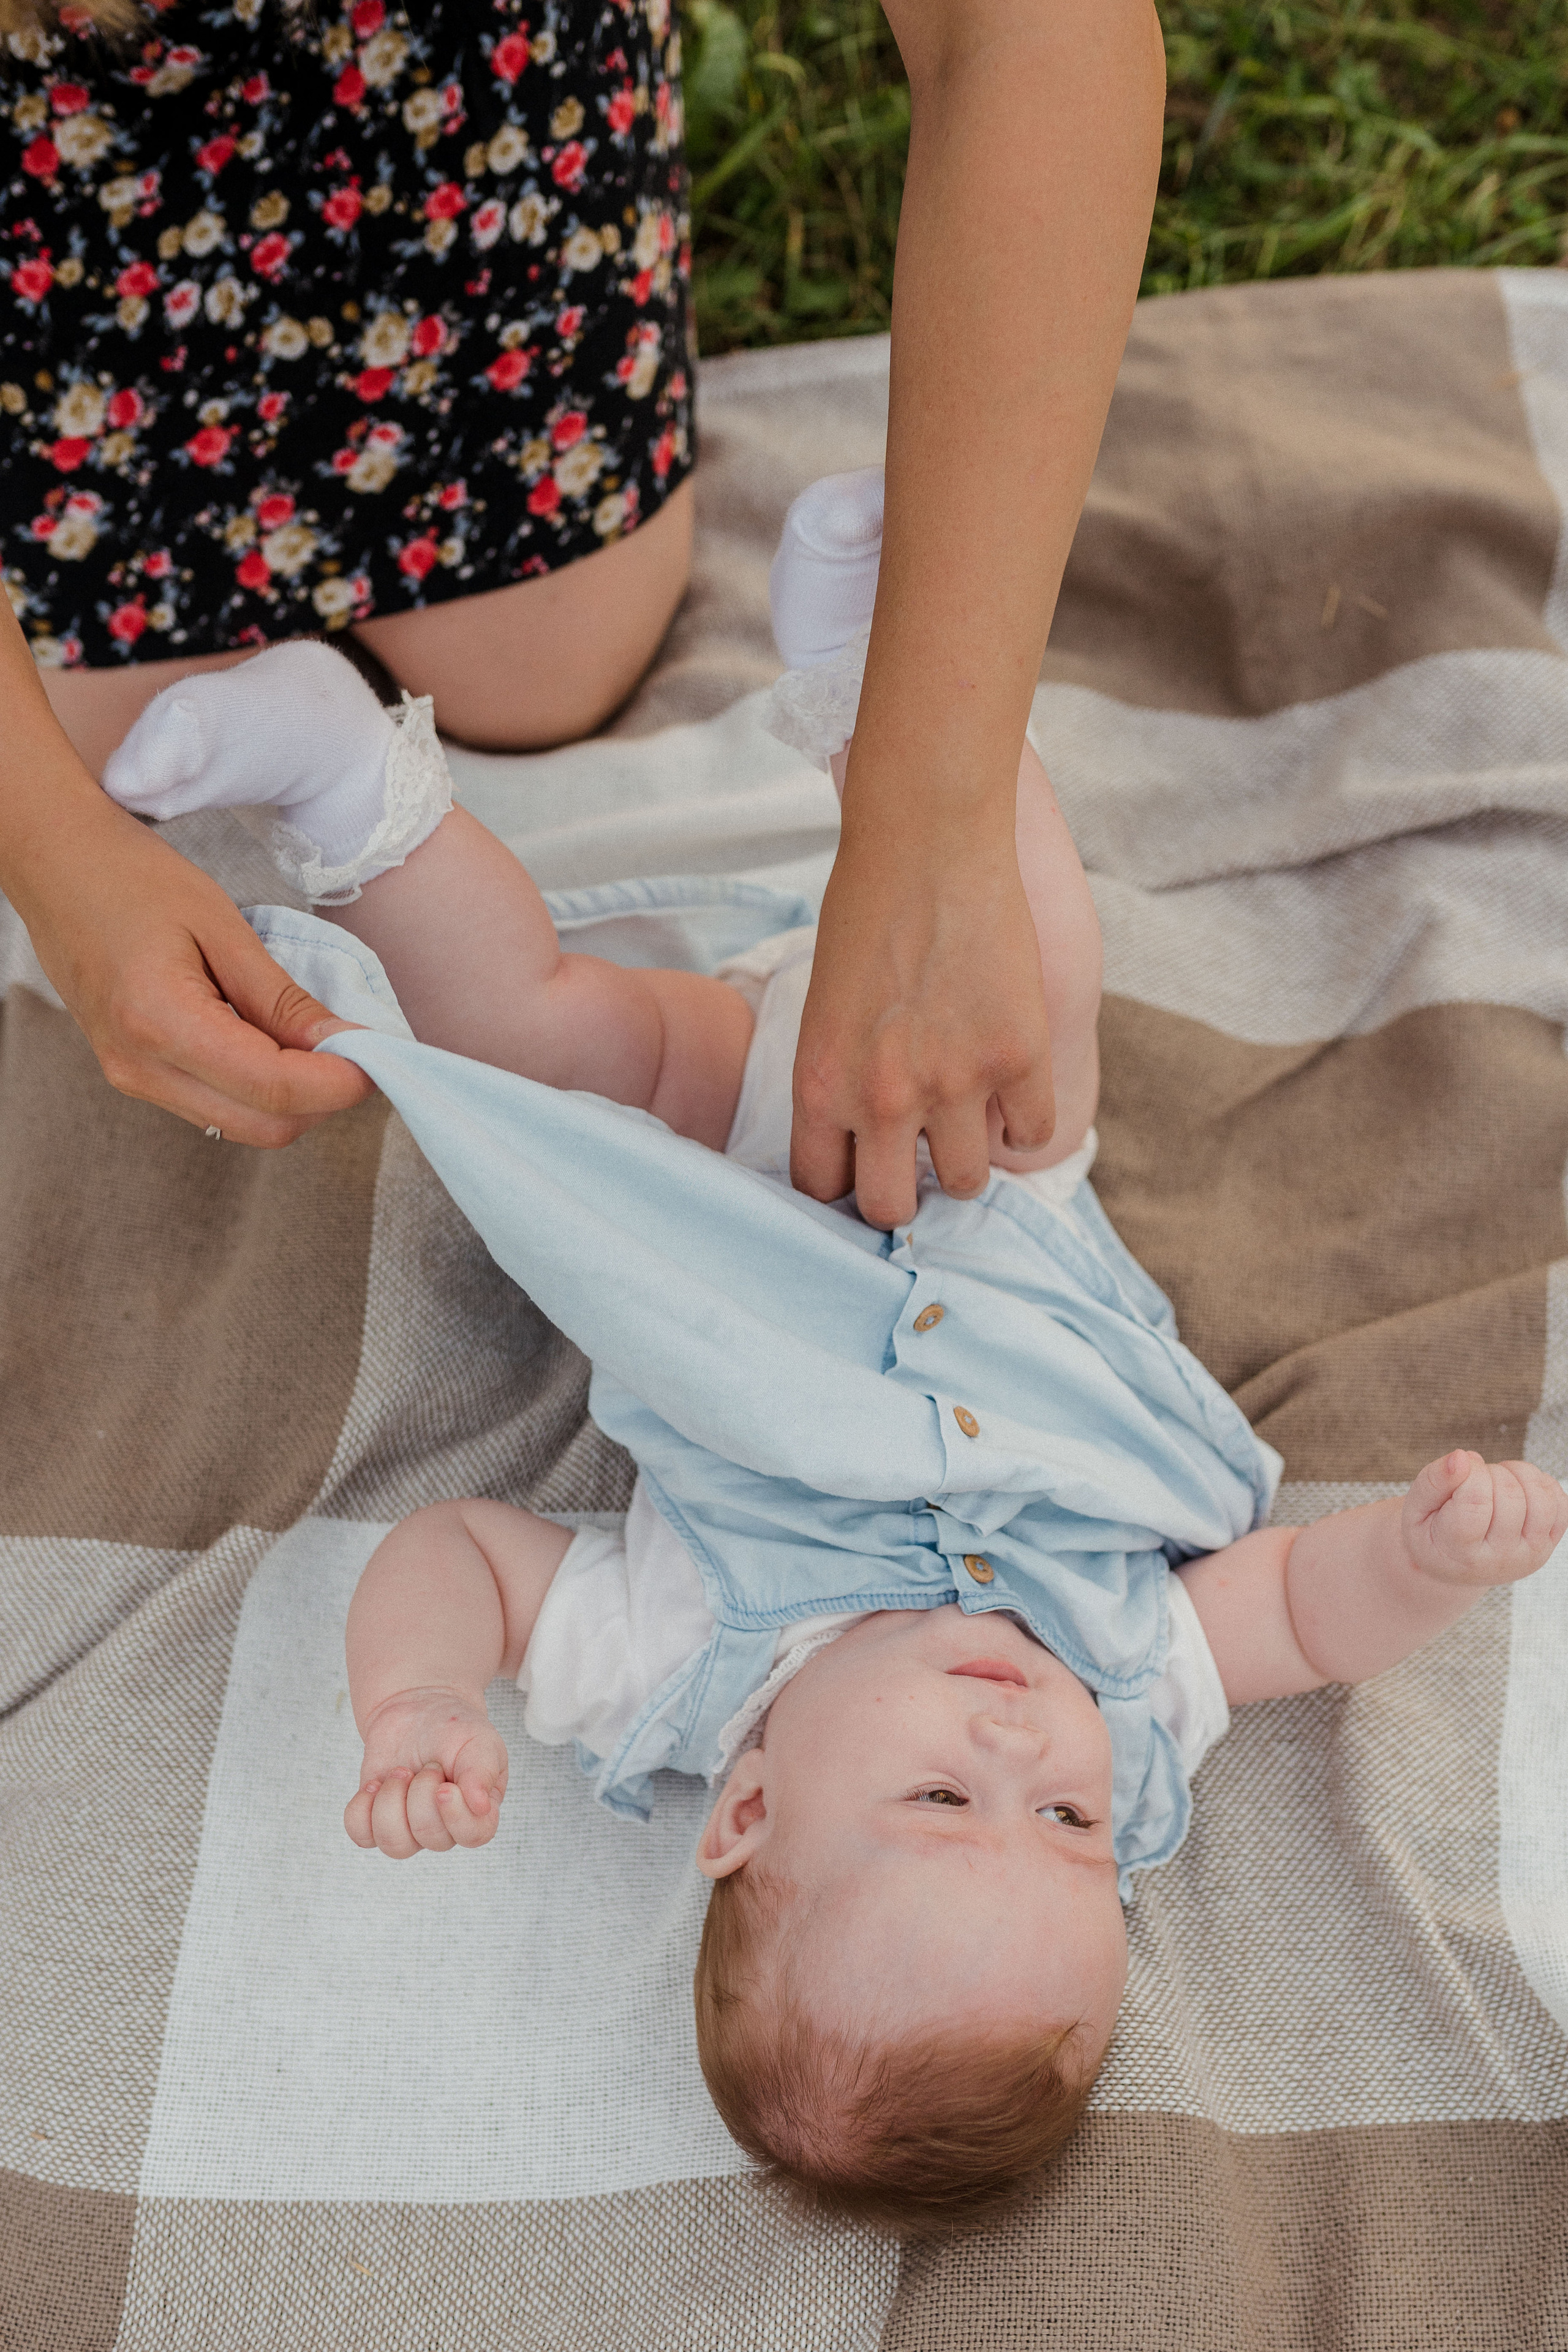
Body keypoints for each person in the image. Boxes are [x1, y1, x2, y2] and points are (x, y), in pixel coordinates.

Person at [96, 480, 1568, 2228]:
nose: (1030, 1757)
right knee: (1046, 948)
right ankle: (884, 700)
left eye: (949, 1794)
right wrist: (1427, 1556)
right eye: (1080, 1834)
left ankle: (348, 784)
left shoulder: (682, 1669)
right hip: (987, 1172)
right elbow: (1310, 1617)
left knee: (526, 1032)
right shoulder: (1128, 1690)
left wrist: (413, 1701)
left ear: (749, 1813)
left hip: (723, 1195)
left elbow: (460, 1561)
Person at [1, 0, 1168, 1223]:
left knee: (541, 1022)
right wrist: (52, 849)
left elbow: (1030, 33)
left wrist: (933, 832)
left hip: (445, 115)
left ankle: (342, 784)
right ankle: (849, 679)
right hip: (64, 205)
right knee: (1038, 1004)